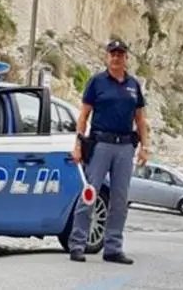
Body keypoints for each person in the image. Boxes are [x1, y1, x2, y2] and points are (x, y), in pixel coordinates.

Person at [67, 39, 150, 265]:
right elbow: (83, 116)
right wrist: (77, 144)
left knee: (120, 200)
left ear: (126, 58)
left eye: (120, 54)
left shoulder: (134, 85)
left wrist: (145, 146)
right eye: (112, 54)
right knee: (90, 194)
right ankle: (77, 244)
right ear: (107, 57)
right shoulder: (97, 82)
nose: (116, 58)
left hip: (125, 147)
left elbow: (140, 119)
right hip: (100, 144)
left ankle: (113, 248)